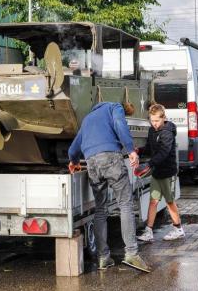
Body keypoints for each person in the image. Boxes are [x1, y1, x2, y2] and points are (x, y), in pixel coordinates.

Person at [67, 102, 152, 273]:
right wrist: (130, 150)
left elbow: (74, 147)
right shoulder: (114, 108)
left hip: (91, 163)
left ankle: (103, 258)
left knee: (100, 210)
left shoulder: (88, 118)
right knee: (125, 204)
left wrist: (74, 162)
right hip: (111, 158)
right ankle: (131, 254)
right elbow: (120, 124)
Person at [136, 104, 184, 242]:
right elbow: (150, 147)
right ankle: (149, 231)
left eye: (157, 121)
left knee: (169, 202)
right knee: (153, 201)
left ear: (164, 118)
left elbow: (164, 152)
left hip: (168, 172)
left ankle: (178, 229)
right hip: (157, 172)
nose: (154, 124)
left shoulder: (167, 133)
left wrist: (149, 164)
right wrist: (139, 151)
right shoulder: (152, 130)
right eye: (152, 120)